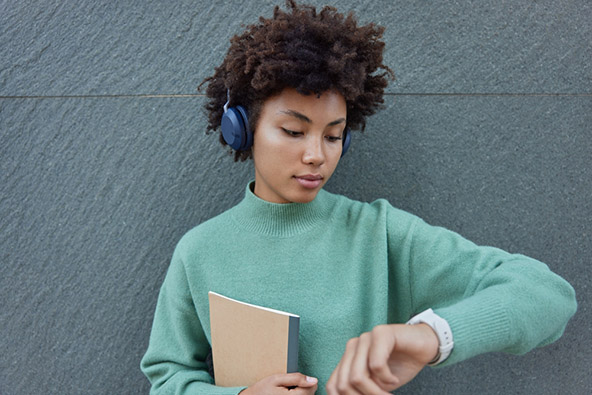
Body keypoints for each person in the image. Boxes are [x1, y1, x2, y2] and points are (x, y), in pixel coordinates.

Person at [140, 1, 577, 394]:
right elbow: (168, 378)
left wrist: (432, 336)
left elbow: (547, 293)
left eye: (334, 136)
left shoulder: (380, 235)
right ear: (242, 129)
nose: (317, 156)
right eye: (293, 132)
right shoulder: (199, 252)